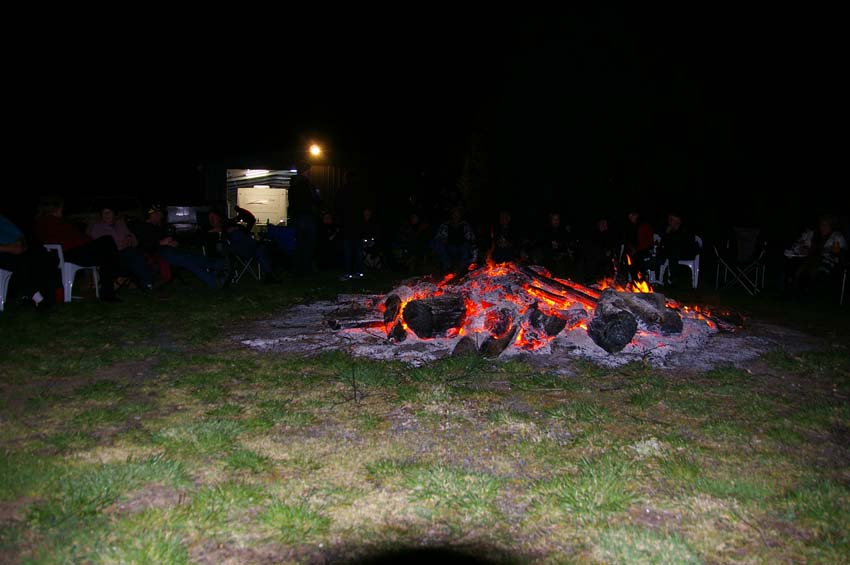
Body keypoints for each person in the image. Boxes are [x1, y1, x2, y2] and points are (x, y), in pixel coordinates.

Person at [34, 194, 123, 303]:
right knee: (107, 242)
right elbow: (74, 239)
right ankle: (114, 281)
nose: (63, 210)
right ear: (55, 208)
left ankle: (110, 286)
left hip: (64, 254)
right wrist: (89, 241)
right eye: (61, 207)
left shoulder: (41, 222)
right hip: (71, 254)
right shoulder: (54, 222)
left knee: (106, 252)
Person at [133, 205, 230, 289]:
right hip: (158, 253)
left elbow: (169, 238)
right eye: (159, 214)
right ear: (152, 215)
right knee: (188, 261)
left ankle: (224, 265)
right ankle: (214, 282)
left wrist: (173, 242)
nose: (161, 216)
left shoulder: (159, 227)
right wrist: (159, 243)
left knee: (194, 256)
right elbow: (143, 245)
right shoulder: (143, 227)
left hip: (168, 249)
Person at [0, 214, 57, 311]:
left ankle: (41, 295)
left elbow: (19, 237)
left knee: (44, 255)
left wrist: (19, 245)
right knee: (19, 262)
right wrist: (9, 248)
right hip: (5, 253)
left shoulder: (1, 220)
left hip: (16, 249)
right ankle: (37, 298)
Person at [89, 206, 153, 291]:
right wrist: (120, 247)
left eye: (109, 212)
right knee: (133, 255)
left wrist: (130, 237)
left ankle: (145, 283)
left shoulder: (120, 225)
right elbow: (99, 244)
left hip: (126, 252)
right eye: (104, 213)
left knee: (136, 255)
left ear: (114, 214)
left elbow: (135, 241)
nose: (106, 214)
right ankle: (145, 283)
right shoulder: (98, 227)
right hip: (110, 255)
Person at [207, 209, 276, 283]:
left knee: (260, 250)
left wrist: (239, 212)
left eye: (214, 217)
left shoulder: (229, 224)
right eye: (211, 218)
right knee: (257, 245)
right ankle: (259, 244)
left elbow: (251, 219)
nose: (213, 220)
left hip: (248, 246)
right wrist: (227, 231)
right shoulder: (214, 231)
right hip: (238, 249)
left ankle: (269, 275)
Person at [784, 214, 847, 294]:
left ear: (831, 226)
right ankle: (791, 288)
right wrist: (803, 247)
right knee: (794, 265)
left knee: (815, 270)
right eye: (821, 225)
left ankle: (806, 291)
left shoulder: (837, 236)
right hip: (808, 258)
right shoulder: (812, 233)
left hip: (826, 261)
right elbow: (800, 244)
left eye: (825, 225)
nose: (822, 227)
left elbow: (843, 250)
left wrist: (831, 250)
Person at [288, 162, 322, 276]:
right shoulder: (308, 184)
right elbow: (316, 200)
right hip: (307, 216)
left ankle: (297, 269)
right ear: (306, 171)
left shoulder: (293, 184)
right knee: (308, 244)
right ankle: (306, 269)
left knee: (299, 244)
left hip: (297, 216)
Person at [335, 171, 364, 280]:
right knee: (358, 249)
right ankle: (359, 272)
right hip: (357, 223)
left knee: (348, 249)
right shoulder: (360, 190)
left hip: (347, 223)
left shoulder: (343, 190)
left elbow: (337, 206)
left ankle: (348, 272)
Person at [657, 211, 699, 287]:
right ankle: (671, 277)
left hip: (686, 253)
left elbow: (686, 243)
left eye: (672, 220)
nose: (670, 222)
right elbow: (662, 243)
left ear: (678, 221)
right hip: (672, 254)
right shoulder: (668, 230)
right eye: (669, 220)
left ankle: (674, 277)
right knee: (670, 251)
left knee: (674, 250)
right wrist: (666, 233)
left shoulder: (684, 230)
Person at [433, 206, 476, 274]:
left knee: (466, 246)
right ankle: (448, 268)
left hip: (461, 247)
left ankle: (462, 269)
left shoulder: (465, 225)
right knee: (438, 245)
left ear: (460, 215)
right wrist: (442, 242)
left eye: (457, 214)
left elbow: (471, 238)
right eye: (454, 213)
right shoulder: (445, 225)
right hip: (450, 247)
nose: (456, 216)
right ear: (451, 215)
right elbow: (438, 237)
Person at [622, 209, 655, 281]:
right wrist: (632, 248)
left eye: (632, 216)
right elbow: (629, 240)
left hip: (645, 249)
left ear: (636, 215)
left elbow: (647, 242)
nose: (631, 219)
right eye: (629, 217)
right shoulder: (631, 227)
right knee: (626, 256)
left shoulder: (644, 226)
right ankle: (632, 279)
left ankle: (640, 279)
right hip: (636, 249)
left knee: (637, 258)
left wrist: (636, 250)